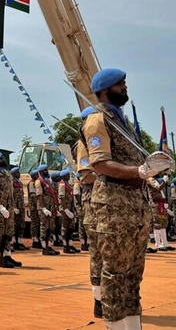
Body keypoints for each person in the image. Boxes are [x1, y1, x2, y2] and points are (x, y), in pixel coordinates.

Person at [81, 68, 172, 329]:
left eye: (125, 83)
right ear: (104, 90)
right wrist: (139, 171)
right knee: (115, 273)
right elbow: (100, 164)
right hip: (113, 204)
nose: (125, 88)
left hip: (136, 203)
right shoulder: (97, 120)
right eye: (120, 85)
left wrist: (150, 170)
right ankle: (115, 325)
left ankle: (133, 325)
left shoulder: (124, 123)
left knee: (134, 274)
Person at [76, 106, 103, 318]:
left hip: (106, 201)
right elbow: (87, 174)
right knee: (98, 252)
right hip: (93, 201)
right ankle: (99, 299)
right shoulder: (84, 144)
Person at [0, 152, 20, 268]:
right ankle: (1, 258)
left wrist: (13, 206)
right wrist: (0, 206)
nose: (3, 160)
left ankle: (8, 255)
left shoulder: (6, 173)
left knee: (8, 232)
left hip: (9, 206)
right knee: (0, 232)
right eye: (1, 159)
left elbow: (11, 191)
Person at [34, 164, 60, 256]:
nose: (47, 171)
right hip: (44, 207)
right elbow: (39, 195)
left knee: (50, 227)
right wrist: (43, 208)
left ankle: (49, 246)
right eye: (45, 170)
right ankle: (44, 248)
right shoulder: (39, 182)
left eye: (47, 169)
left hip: (51, 207)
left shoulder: (48, 181)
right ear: (41, 172)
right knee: (44, 227)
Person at [58, 168, 79, 254]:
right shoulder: (62, 185)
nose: (69, 176)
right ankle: (65, 246)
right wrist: (66, 209)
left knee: (70, 227)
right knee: (65, 227)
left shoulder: (68, 184)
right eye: (67, 175)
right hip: (65, 209)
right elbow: (61, 197)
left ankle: (70, 245)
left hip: (70, 208)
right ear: (63, 176)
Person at [10, 167, 29, 251]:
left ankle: (20, 242)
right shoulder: (12, 183)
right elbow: (11, 196)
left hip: (21, 205)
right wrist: (13, 207)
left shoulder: (20, 183)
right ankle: (14, 243)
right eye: (17, 172)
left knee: (21, 224)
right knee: (14, 225)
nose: (19, 174)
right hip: (15, 205)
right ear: (13, 174)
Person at [27, 169, 42, 250]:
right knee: (35, 223)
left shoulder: (36, 183)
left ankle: (38, 239)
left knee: (38, 223)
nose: (38, 176)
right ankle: (35, 240)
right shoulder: (31, 184)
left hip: (37, 206)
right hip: (34, 207)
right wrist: (37, 205)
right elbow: (33, 196)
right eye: (37, 175)